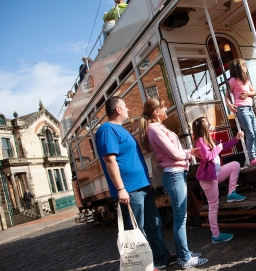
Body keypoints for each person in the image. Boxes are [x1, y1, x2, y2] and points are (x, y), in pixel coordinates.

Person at [95, 96, 177, 270]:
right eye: (125, 107)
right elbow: (110, 161)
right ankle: (144, 266)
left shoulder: (122, 130)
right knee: (137, 230)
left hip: (142, 186)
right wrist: (121, 189)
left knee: (153, 224)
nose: (128, 110)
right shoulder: (107, 129)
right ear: (117, 109)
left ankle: (161, 257)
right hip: (130, 189)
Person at [139, 98, 208, 269]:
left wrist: (187, 152)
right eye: (163, 107)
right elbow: (173, 153)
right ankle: (185, 258)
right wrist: (188, 154)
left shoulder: (157, 128)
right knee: (180, 218)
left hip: (176, 174)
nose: (166, 109)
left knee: (180, 217)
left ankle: (183, 254)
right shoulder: (154, 130)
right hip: (174, 174)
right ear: (156, 112)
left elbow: (174, 152)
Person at [192, 117, 246, 244]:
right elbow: (208, 156)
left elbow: (224, 146)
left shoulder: (208, 139)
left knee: (235, 165)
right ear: (203, 128)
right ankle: (216, 235)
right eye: (208, 123)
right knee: (213, 206)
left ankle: (231, 193)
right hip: (208, 179)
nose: (211, 125)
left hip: (216, 174)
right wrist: (219, 147)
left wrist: (236, 139)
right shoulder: (199, 141)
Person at [225, 58, 256, 166]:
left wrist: (247, 94)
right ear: (239, 68)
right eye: (244, 66)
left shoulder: (245, 80)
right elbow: (227, 96)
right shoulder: (232, 80)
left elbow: (254, 91)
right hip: (241, 109)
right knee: (250, 133)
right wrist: (229, 105)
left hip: (250, 108)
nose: (246, 68)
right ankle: (253, 157)